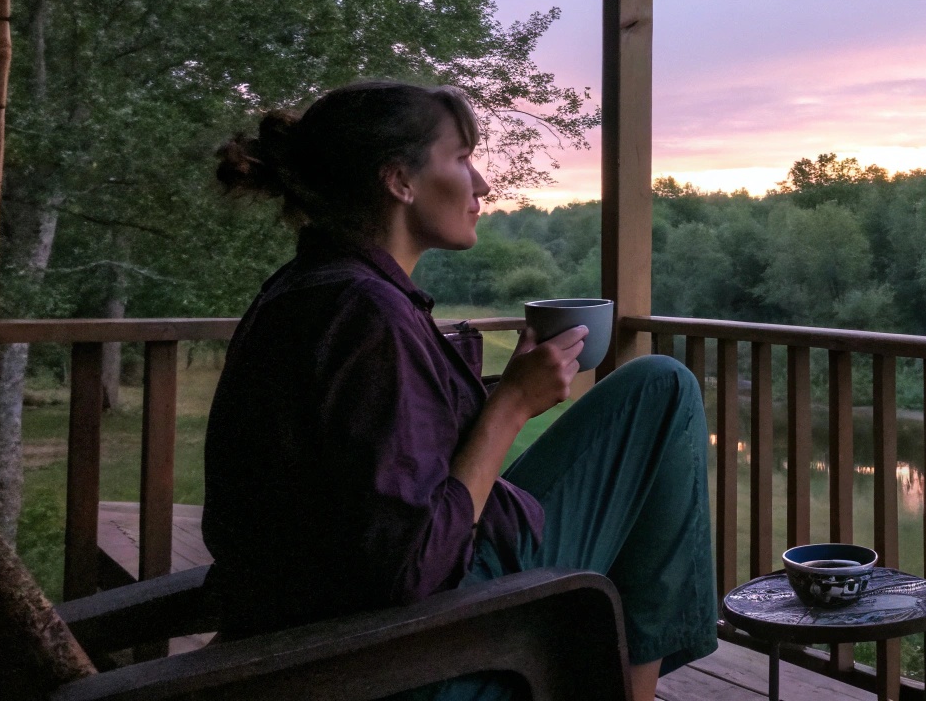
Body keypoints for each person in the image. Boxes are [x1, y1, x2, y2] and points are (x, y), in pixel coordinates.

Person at [206, 80, 716, 701]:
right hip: (416, 654)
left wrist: (499, 391)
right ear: (400, 181)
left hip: (337, 630)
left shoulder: (316, 290)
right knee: (662, 391)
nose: (481, 186)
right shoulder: (365, 315)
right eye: (463, 158)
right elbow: (412, 565)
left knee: (655, 389)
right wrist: (510, 407)